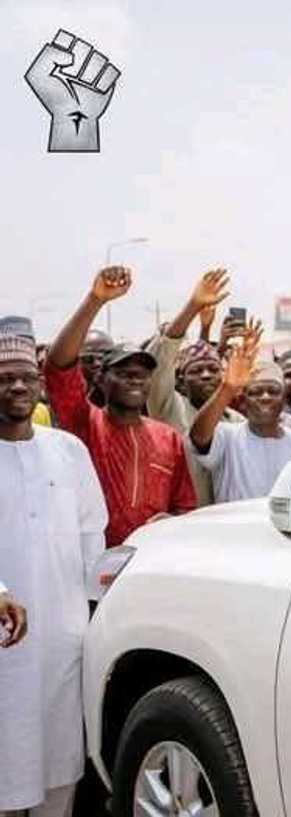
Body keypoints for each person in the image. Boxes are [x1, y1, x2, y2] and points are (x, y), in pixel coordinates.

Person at [0, 332, 108, 817]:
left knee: (60, 763)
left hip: (65, 633)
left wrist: (96, 607)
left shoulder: (68, 450)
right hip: (6, 637)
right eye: (4, 379)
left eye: (25, 377)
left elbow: (92, 534)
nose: (17, 387)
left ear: (41, 385)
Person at [46, 268, 197, 547]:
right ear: (101, 380)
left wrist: (172, 522)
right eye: (123, 370)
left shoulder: (168, 438)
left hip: (148, 565)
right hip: (91, 561)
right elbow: (57, 366)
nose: (135, 377)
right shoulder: (84, 423)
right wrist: (95, 300)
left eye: (142, 372)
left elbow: (185, 506)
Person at [148, 269, 246, 506]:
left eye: (213, 369)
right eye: (196, 370)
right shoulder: (169, 409)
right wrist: (193, 307)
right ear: (181, 379)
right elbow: (160, 363)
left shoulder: (238, 422)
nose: (206, 375)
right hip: (182, 523)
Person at [190, 326, 291, 503]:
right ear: (244, 401)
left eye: (273, 391)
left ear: (284, 400)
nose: (265, 397)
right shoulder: (227, 436)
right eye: (256, 391)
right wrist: (228, 388)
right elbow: (198, 435)